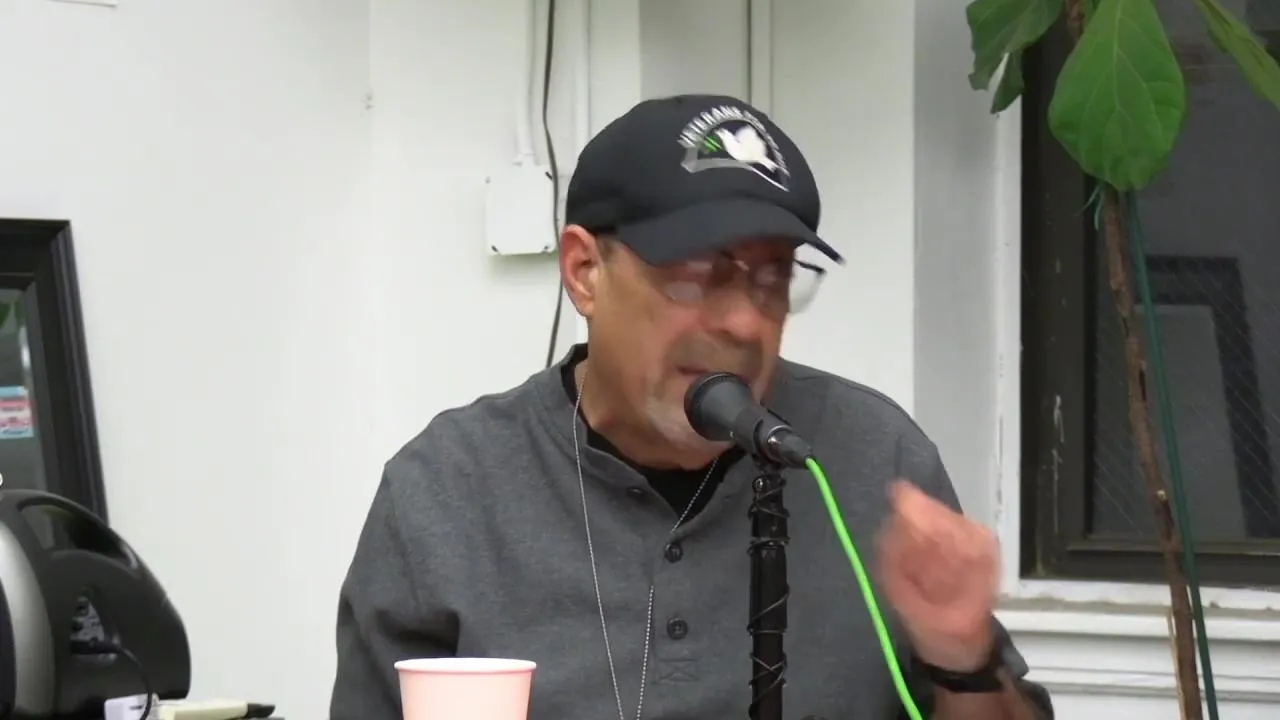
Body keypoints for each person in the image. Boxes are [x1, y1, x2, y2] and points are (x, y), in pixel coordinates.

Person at [329, 94, 1054, 720]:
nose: (743, 322)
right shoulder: (444, 493)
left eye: (771, 278)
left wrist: (964, 656)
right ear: (584, 271)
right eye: (698, 274)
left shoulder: (873, 457)